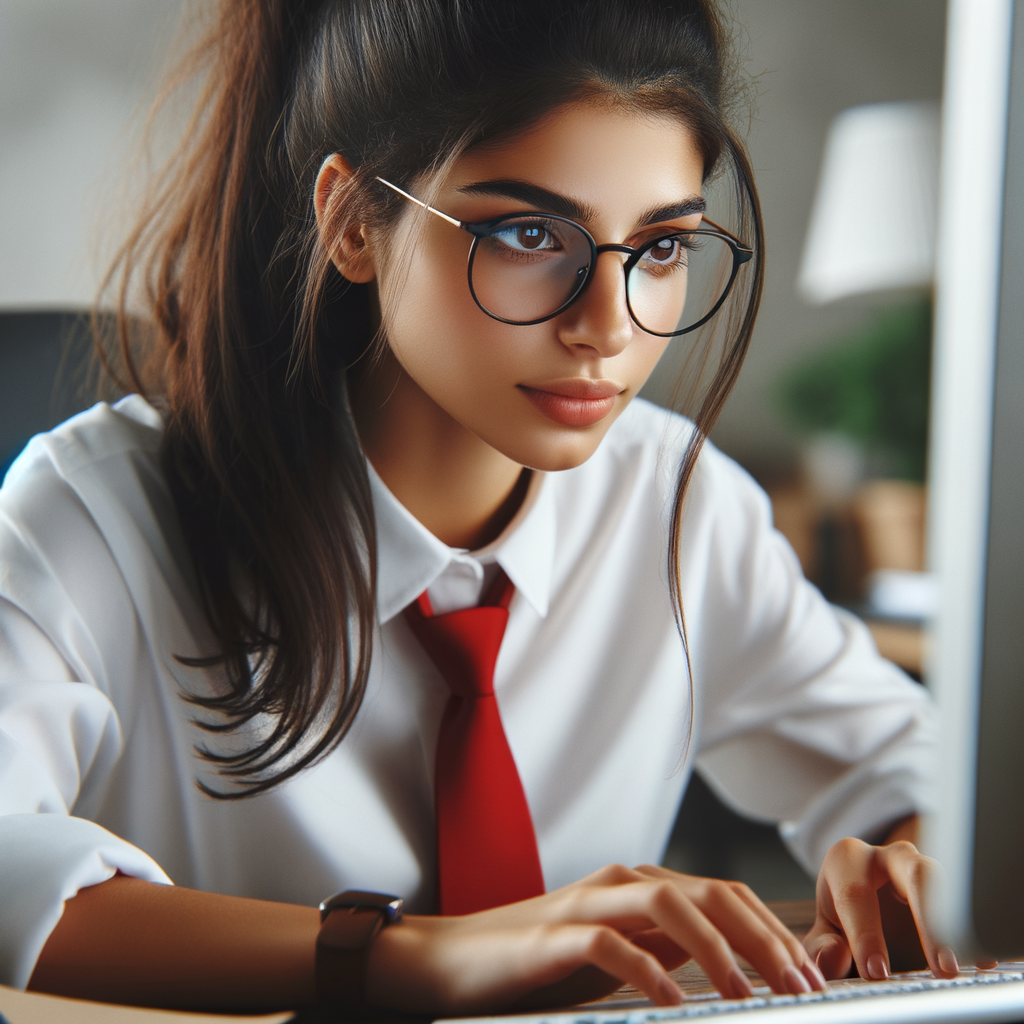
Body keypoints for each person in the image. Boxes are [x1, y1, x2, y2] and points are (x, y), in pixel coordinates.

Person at [0, 0, 951, 1015]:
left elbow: (915, 773)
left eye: (661, 248)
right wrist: (417, 955)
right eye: (530, 233)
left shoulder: (678, 505)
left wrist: (910, 858)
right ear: (354, 222)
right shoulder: (93, 515)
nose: (607, 326)